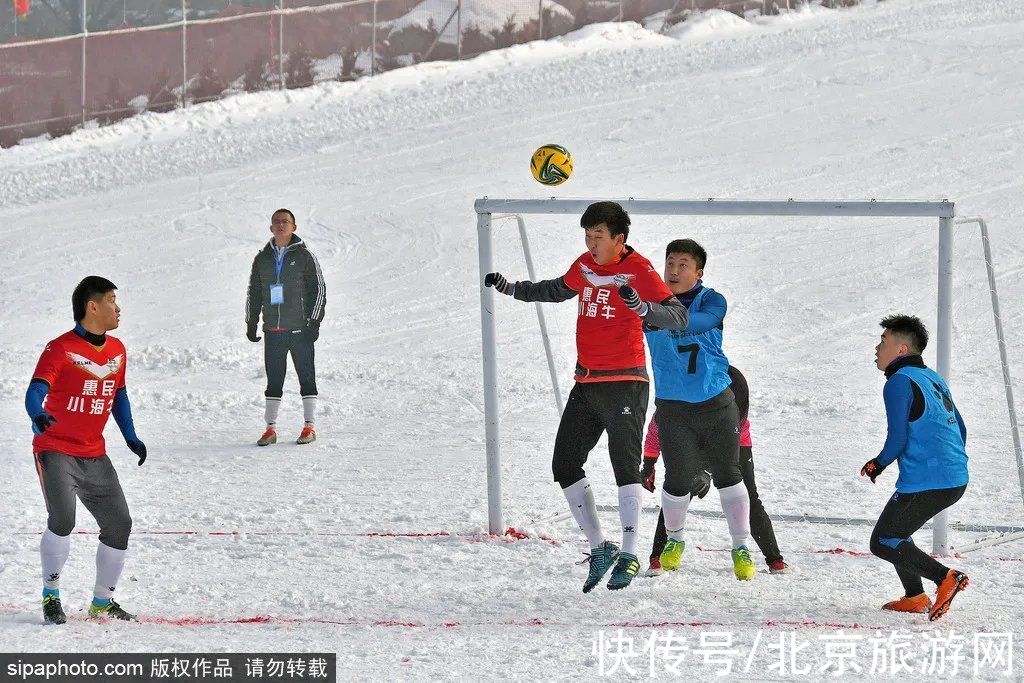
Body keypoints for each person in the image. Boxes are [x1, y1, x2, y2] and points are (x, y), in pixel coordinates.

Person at [485, 201, 687, 592]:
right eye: (587, 236)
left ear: (619, 239)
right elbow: (558, 289)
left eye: (598, 236)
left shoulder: (640, 270)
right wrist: (512, 288)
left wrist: (642, 307)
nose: (591, 242)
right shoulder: (585, 264)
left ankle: (629, 553)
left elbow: (676, 315)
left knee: (623, 466)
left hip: (626, 380)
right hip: (587, 381)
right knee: (564, 463)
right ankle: (600, 547)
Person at [24, 276, 146, 624]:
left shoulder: (117, 350)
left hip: (94, 453)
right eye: (111, 300)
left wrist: (130, 435)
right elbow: (35, 390)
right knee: (63, 520)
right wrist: (37, 413)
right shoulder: (59, 349)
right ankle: (51, 596)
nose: (118, 307)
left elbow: (118, 395)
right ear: (92, 306)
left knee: (119, 524)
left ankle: (102, 602)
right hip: (55, 449)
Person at [643, 239, 756, 581]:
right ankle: (675, 541)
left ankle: (741, 547)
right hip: (673, 408)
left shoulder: (712, 301)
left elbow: (697, 323)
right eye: (670, 263)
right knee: (676, 481)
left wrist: (652, 313)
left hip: (716, 404)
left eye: (683, 265)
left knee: (728, 475)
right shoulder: (650, 301)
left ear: (698, 271)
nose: (674, 270)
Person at [862, 314, 969, 621]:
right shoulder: (933, 377)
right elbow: (960, 428)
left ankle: (945, 577)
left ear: (901, 349)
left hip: (931, 480)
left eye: (883, 341)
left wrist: (877, 464)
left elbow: (897, 438)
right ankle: (915, 596)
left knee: (883, 541)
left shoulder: (898, 382)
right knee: (898, 531)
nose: (877, 348)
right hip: (953, 476)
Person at [641, 365, 791, 576]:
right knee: (678, 488)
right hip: (692, 437)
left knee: (748, 496)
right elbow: (660, 423)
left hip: (734, 439)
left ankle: (774, 560)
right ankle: (658, 558)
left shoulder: (734, 381)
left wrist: (709, 471)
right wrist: (649, 461)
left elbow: (731, 437)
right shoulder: (684, 383)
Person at [246, 208, 327, 446]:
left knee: (306, 376)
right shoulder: (262, 259)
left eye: (285, 222)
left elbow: (318, 289)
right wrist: (251, 322)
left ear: (294, 227)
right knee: (274, 380)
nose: (281, 225)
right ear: (271, 228)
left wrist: (314, 321)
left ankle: (309, 427)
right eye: (276, 222)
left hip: (300, 329)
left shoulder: (304, 256)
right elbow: (254, 291)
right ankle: (270, 430)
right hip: (274, 330)